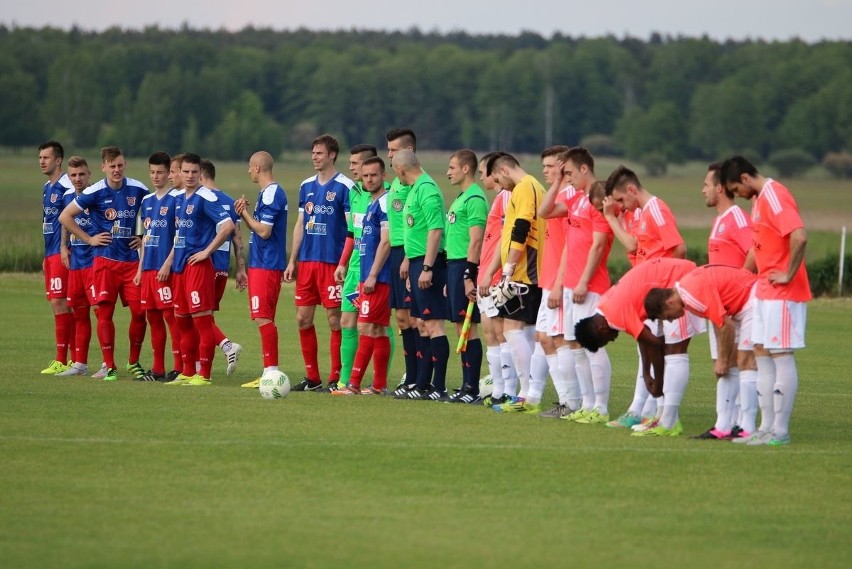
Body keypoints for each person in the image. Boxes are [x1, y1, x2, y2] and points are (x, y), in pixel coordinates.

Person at [721, 155, 810, 446]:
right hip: (763, 290)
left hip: (782, 293)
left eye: (737, 189)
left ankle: (780, 431)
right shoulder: (759, 200)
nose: (738, 196)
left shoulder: (774, 194)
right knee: (760, 351)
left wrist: (788, 274)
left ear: (745, 178)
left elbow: (799, 236)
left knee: (779, 353)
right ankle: (765, 427)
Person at [602, 165, 690, 431]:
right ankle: (645, 411)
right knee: (650, 353)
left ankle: (658, 415)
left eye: (620, 200)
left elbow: (679, 248)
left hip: (662, 297)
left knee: (668, 354)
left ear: (631, 190)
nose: (621, 206)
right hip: (650, 295)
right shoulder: (640, 212)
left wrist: (666, 288)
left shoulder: (655, 209)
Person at [574, 257, 703, 436]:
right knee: (667, 349)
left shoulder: (615, 314)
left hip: (679, 282)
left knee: (674, 351)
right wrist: (647, 373)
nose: (612, 340)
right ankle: (661, 417)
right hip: (671, 283)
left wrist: (656, 382)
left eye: (607, 340)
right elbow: (644, 339)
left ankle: (669, 422)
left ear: (601, 329)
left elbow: (654, 345)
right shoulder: (605, 306)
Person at [59, 146, 149, 382]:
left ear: (125, 164)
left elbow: (153, 213)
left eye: (120, 165)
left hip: (131, 263)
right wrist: (88, 238)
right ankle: (109, 366)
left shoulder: (139, 189)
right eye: (112, 166)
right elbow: (65, 216)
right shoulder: (94, 191)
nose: (116, 170)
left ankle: (134, 362)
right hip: (105, 262)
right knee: (104, 314)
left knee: (141, 313)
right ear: (103, 168)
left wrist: (141, 236)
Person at [644, 264, 758, 440]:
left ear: (669, 302)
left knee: (746, 361)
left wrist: (722, 360)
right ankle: (722, 427)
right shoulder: (686, 291)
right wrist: (724, 358)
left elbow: (725, 326)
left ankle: (748, 428)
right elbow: (718, 321)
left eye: (668, 316)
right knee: (733, 365)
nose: (672, 319)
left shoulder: (690, 295)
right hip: (741, 305)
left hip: (752, 299)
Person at [285, 134, 352, 392]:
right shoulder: (306, 186)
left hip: (331, 264)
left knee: (335, 319)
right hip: (308, 263)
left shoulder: (345, 186)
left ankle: (337, 376)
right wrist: (292, 260)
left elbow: (351, 229)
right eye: (313, 153)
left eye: (319, 153)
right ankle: (312, 378)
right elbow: (301, 224)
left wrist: (344, 262)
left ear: (332, 155)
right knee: (303, 318)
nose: (315, 157)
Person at [694, 162, 756, 439]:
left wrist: (739, 287)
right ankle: (723, 425)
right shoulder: (719, 219)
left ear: (720, 188)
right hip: (720, 308)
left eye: (706, 185)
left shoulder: (736, 217)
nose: (702, 190)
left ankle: (741, 425)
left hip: (738, 306)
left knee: (740, 363)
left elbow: (754, 251)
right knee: (725, 364)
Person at [481, 153, 546, 413]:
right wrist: (492, 270)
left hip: (526, 272)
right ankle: (525, 392)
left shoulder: (525, 187)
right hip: (519, 271)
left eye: (497, 177)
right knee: (520, 331)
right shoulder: (524, 188)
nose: (498, 183)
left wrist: (508, 268)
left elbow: (521, 227)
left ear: (505, 170)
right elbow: (507, 236)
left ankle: (527, 394)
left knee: (512, 329)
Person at [163, 153, 235, 386]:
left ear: (200, 173)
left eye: (195, 172)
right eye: (186, 172)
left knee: (202, 322)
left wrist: (207, 251)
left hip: (199, 267)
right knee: (182, 321)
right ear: (180, 172)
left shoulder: (206, 197)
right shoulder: (180, 199)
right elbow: (179, 236)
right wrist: (169, 262)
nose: (190, 176)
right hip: (180, 268)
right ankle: (186, 371)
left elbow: (227, 226)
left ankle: (204, 374)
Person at [334, 144, 395, 389]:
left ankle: (353, 384)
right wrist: (345, 263)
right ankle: (377, 385)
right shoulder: (367, 199)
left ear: (383, 176)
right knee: (375, 328)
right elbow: (354, 233)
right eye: (365, 175)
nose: (366, 178)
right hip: (363, 272)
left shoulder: (386, 201)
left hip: (376, 276)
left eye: (372, 174)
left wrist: (371, 275)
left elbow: (386, 241)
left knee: (367, 326)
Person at [392, 149, 450, 400]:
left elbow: (435, 230)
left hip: (429, 264)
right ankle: (423, 384)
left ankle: (439, 387)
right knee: (421, 324)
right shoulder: (415, 187)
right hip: (415, 262)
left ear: (400, 170)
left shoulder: (426, 188)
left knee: (434, 324)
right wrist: (409, 260)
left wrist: (427, 267)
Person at [531, 145, 579, 418]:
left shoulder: (569, 197)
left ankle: (572, 402)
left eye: (550, 166)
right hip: (549, 278)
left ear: (563, 166)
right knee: (544, 338)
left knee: (558, 339)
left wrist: (559, 283)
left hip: (560, 280)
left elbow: (570, 246)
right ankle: (567, 400)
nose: (545, 172)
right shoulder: (557, 195)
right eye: (545, 167)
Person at [236, 151, 289, 387]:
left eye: (250, 166)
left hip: (266, 264)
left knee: (263, 317)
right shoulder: (266, 194)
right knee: (262, 317)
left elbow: (264, 232)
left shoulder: (272, 194)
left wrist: (243, 213)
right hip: (261, 263)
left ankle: (271, 373)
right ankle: (269, 371)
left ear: (258, 167)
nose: (248, 171)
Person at [475, 152, 519, 407]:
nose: (483, 177)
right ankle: (498, 390)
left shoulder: (508, 197)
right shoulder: (500, 198)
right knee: (490, 332)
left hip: (496, 275)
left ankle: (507, 391)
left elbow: (506, 238)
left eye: (484, 173)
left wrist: (495, 272)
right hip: (487, 273)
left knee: (502, 333)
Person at [444, 149, 488, 403]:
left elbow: (476, 240)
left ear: (465, 169)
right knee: (460, 327)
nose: (448, 172)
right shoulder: (461, 197)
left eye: (452, 167)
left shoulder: (475, 199)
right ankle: (465, 385)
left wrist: (468, 276)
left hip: (465, 266)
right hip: (454, 266)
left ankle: (471, 389)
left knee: (469, 329)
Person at [134, 152, 182, 382]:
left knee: (170, 317)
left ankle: (179, 367)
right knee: (152, 317)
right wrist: (139, 268)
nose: (156, 176)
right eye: (152, 172)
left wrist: (168, 263)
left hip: (165, 268)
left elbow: (180, 236)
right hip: (149, 268)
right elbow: (145, 237)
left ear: (168, 173)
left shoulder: (177, 199)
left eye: (161, 172)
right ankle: (157, 369)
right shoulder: (147, 201)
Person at [200, 159, 246, 375]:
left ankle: (227, 346)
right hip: (222, 267)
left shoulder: (201, 199)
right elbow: (238, 239)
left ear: (200, 174)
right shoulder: (228, 200)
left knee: (198, 316)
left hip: (204, 266)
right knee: (206, 316)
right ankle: (201, 364)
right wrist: (240, 269)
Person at [386, 129, 420, 397]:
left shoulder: (414, 183)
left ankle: (419, 374)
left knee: (415, 317)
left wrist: (409, 256)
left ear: (409, 150)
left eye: (393, 150)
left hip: (409, 253)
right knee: (401, 316)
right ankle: (411, 372)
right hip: (395, 253)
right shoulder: (396, 182)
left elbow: (416, 224)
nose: (389, 155)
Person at [38, 140, 74, 374]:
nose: (42, 161)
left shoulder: (66, 186)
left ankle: (66, 358)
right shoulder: (46, 187)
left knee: (63, 304)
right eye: (40, 158)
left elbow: (70, 219)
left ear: (58, 160)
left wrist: (64, 247)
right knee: (57, 304)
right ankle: (68, 358)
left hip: (63, 253)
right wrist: (46, 254)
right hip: (50, 253)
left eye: (46, 158)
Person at [56, 156, 94, 376]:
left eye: (81, 174)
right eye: (73, 175)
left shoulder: (97, 194)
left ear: (89, 174)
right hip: (76, 262)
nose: (77, 179)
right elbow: (65, 221)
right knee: (78, 313)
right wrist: (63, 246)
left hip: (95, 261)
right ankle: (80, 363)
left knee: (101, 313)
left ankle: (108, 363)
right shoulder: (69, 196)